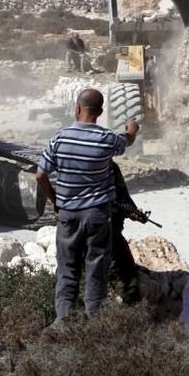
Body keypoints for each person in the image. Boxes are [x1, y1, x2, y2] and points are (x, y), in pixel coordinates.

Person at [37, 88, 139, 321]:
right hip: (97, 216)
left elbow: (40, 175)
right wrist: (131, 130)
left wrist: (56, 201)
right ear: (100, 112)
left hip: (68, 215)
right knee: (96, 270)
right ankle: (93, 324)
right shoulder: (106, 139)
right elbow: (127, 141)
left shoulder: (59, 138)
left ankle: (62, 322)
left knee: (67, 270)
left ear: (77, 108)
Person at [109, 162, 141, 304]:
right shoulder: (109, 167)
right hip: (108, 235)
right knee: (129, 283)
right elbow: (121, 197)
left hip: (76, 232)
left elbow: (123, 199)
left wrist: (132, 211)